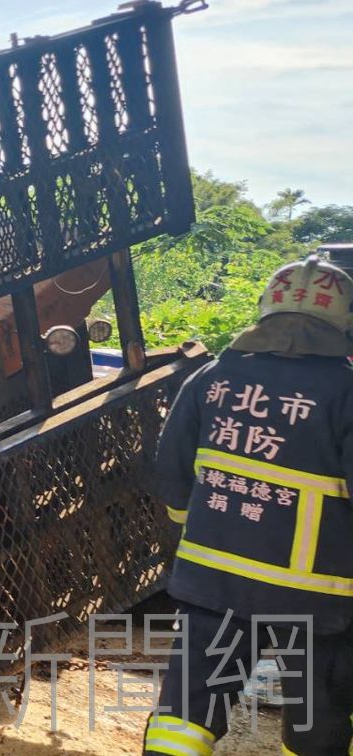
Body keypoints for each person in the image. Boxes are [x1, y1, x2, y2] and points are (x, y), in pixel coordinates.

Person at [144, 255, 353, 756]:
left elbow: (171, 477)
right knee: (317, 720)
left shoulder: (213, 378)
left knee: (184, 720)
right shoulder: (346, 391)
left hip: (214, 584)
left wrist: (201, 532)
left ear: (265, 310)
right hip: (318, 596)